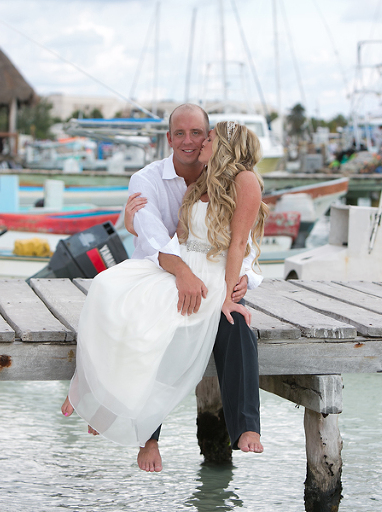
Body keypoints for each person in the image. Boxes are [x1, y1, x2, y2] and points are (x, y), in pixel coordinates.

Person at [61, 107, 268, 472]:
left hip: (216, 277)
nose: (193, 141)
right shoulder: (149, 179)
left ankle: (246, 427)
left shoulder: (232, 178)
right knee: (127, 308)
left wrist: (242, 280)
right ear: (168, 138)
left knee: (238, 332)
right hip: (164, 270)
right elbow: (165, 238)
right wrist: (136, 226)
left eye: (201, 135)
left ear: (212, 141)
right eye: (181, 133)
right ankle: (110, 407)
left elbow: (241, 242)